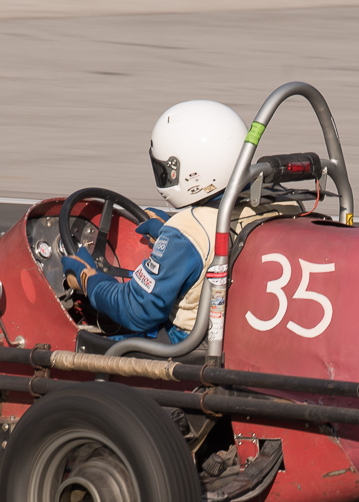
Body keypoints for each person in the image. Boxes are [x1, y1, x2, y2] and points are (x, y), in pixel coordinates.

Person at [61, 99, 260, 342]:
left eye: (167, 171)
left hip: (190, 347)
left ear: (193, 172)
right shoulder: (274, 205)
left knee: (80, 342)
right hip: (244, 333)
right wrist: (168, 231)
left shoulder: (189, 231)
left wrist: (89, 280)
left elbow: (135, 309)